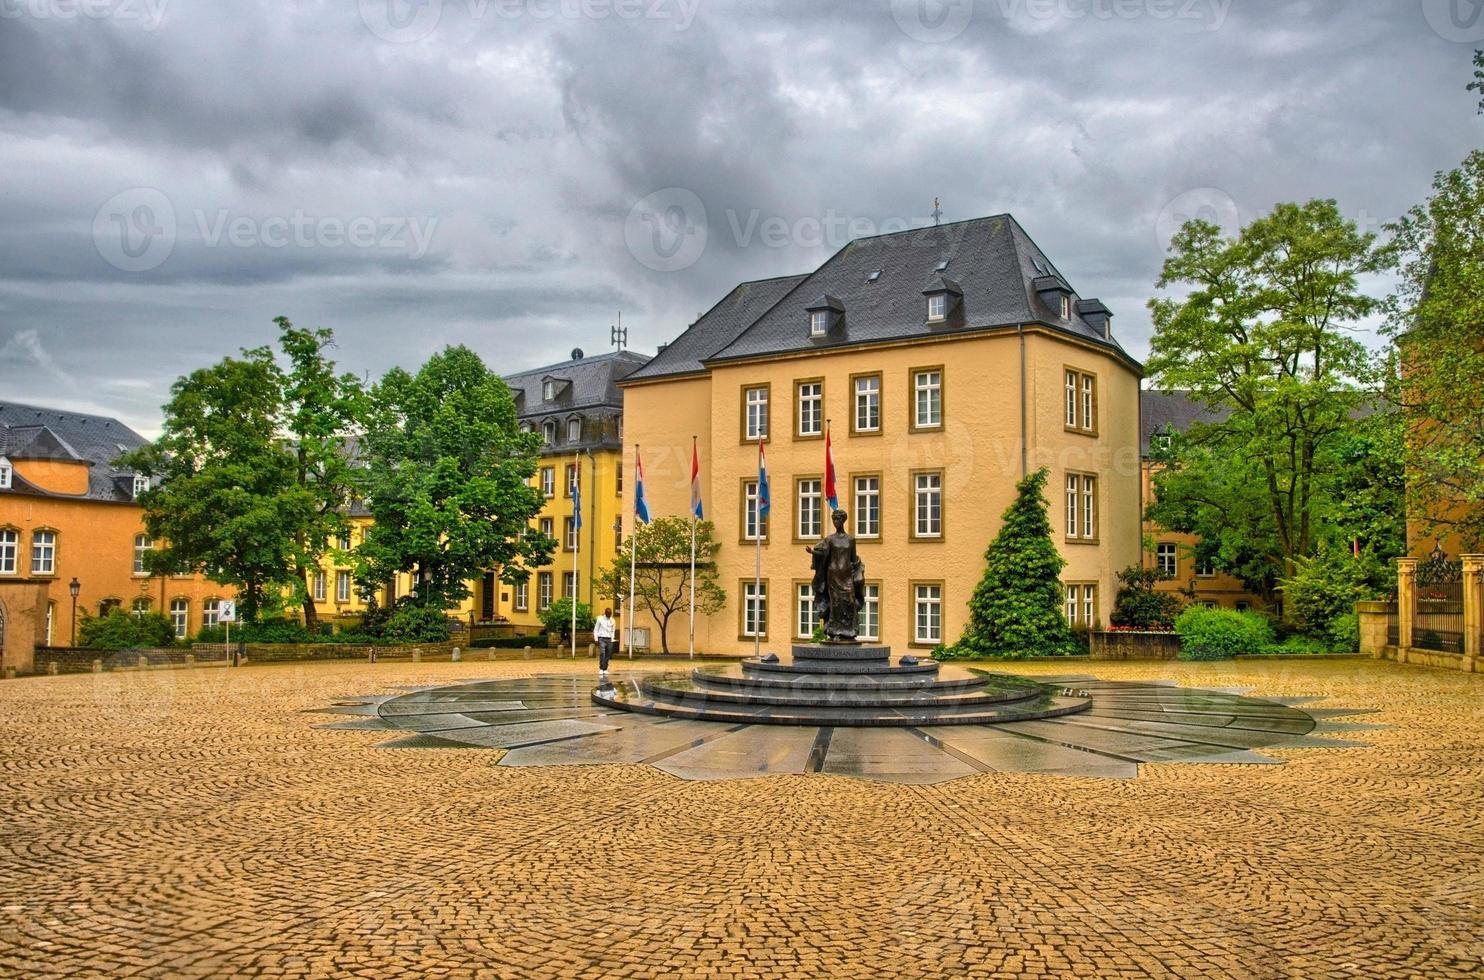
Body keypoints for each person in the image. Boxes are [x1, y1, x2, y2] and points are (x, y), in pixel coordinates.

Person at [594, 607, 617, 677]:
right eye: (608, 614)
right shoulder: (600, 619)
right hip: (601, 638)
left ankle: (605, 668)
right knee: (602, 653)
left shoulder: (612, 620)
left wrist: (612, 639)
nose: (609, 615)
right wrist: (596, 639)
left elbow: (613, 631)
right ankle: (601, 668)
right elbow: (596, 629)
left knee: (608, 654)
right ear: (605, 613)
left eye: (610, 614)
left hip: (609, 639)